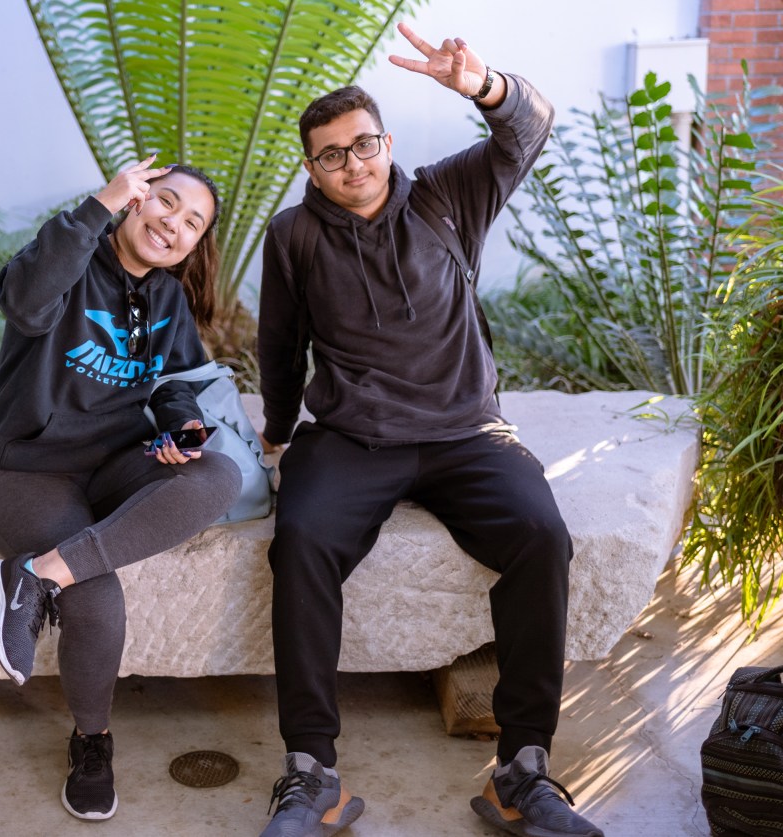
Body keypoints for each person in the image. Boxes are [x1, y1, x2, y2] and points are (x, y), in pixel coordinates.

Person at [255, 22, 604, 837]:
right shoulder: (293, 235)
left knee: (540, 533)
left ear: (387, 141)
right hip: (350, 436)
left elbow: (532, 126)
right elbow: (279, 345)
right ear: (311, 166)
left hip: (465, 431)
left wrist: (484, 85)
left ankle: (523, 768)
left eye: (364, 144)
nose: (354, 163)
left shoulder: (449, 194)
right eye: (332, 154)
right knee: (300, 539)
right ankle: (310, 772)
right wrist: (277, 433)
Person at [0, 157, 242, 821]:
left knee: (221, 474)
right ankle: (93, 739)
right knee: (96, 588)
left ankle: (34, 575)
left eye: (192, 222)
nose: (172, 224)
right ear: (136, 199)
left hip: (114, 461)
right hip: (27, 468)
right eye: (165, 203)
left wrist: (182, 423)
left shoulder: (170, 298)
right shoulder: (71, 256)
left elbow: (173, 381)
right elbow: (24, 301)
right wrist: (98, 205)